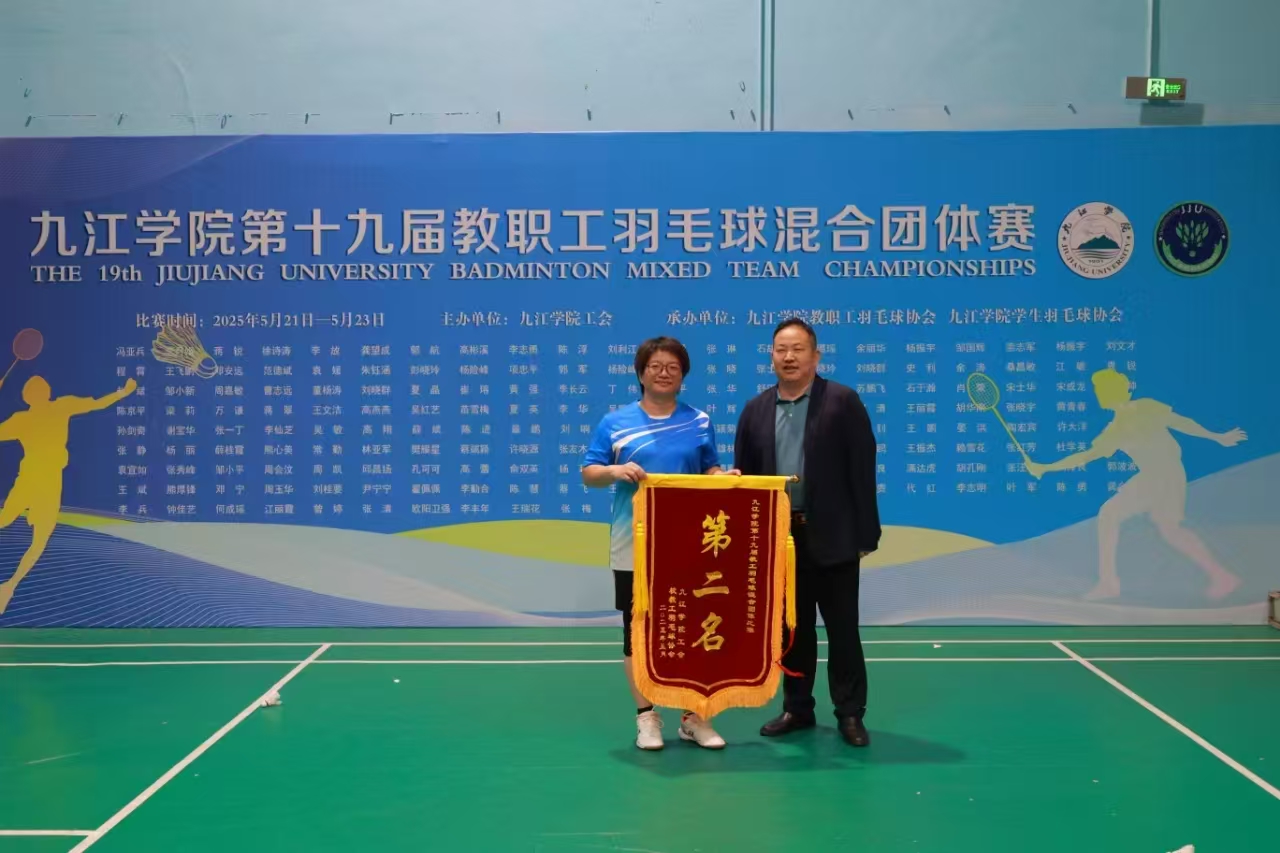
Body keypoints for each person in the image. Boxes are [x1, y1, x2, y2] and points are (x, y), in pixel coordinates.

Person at [582, 336, 738, 751]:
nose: (664, 373)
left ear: (683, 375)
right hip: (632, 544)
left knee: (692, 631)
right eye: (655, 366)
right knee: (638, 632)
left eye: (673, 367)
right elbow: (589, 472)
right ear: (640, 373)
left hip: (690, 545)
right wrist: (614, 471)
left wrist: (722, 477)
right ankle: (646, 717)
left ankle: (694, 717)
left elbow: (709, 469)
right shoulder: (615, 422)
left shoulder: (699, 421)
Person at [733, 317, 881, 747]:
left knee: (843, 631)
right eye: (781, 349)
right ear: (771, 357)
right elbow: (746, 480)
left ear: (816, 356)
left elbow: (862, 468)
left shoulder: (842, 401)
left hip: (835, 536)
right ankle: (797, 708)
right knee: (790, 631)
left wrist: (865, 533)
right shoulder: (755, 409)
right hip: (781, 540)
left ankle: (849, 713)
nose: (789, 357)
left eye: (798, 349)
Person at [1026, 367, 1244, 601]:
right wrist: (1046, 468)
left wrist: (1216, 436)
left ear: (1111, 391)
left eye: (1099, 389)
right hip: (1161, 475)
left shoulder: (1143, 409)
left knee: (1113, 515)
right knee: (1168, 529)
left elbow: (1181, 422)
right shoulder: (1117, 427)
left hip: (1162, 476)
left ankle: (1109, 584)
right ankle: (1221, 576)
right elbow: (1086, 456)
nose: (1096, 394)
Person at [0, 375, 138, 613]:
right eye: (37, 389)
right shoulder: (24, 419)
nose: (42, 391)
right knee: (11, 523)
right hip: (33, 478)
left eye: (43, 387)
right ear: (29, 397)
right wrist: (122, 393)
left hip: (48, 481)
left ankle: (9, 587)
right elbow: (97, 403)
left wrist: (122, 393)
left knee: (39, 537)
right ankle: (10, 586)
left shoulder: (60, 407)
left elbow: (96, 403)